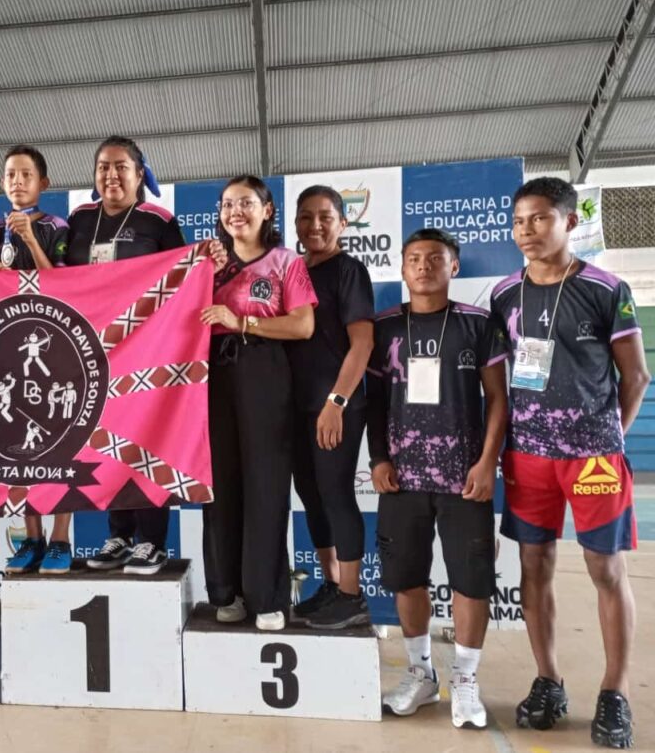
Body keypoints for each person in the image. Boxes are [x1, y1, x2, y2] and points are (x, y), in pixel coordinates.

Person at [491, 177, 648, 749]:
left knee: (606, 571)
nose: (526, 231)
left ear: (569, 221)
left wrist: (607, 437)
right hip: (528, 457)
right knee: (533, 566)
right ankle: (548, 679)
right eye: (518, 221)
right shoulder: (504, 294)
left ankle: (616, 691)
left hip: (593, 460)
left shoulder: (606, 289)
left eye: (539, 218)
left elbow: (636, 376)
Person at [367, 229, 508, 729]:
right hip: (401, 479)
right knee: (406, 577)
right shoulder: (384, 327)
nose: (423, 266)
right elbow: (375, 403)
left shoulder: (479, 324)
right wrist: (378, 458)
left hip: (464, 479)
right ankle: (422, 674)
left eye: (434, 258)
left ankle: (465, 680)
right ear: (402, 267)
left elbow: (499, 399)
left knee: (471, 579)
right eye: (414, 259)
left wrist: (487, 462)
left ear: (454, 266)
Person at [61, 135, 185, 575]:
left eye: (121, 167)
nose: (111, 175)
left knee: (147, 441)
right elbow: (59, 277)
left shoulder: (159, 221)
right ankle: (119, 535)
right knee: (106, 444)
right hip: (93, 353)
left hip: (146, 351)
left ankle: (152, 541)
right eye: (103, 167)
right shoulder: (79, 219)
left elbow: (183, 280)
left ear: (139, 174)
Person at [200, 175, 316, 631]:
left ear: (267, 210)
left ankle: (266, 596)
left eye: (246, 203)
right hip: (212, 375)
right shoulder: (206, 262)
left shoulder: (286, 262)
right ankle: (225, 592)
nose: (236, 212)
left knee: (266, 484)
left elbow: (303, 325)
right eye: (228, 204)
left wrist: (242, 321)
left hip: (264, 370)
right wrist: (200, 271)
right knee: (220, 483)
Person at [0, 146, 76, 576]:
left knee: (62, 445)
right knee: (19, 446)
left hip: (54, 347)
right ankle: (32, 538)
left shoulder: (57, 226)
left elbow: (62, 283)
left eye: (26, 175)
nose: (17, 182)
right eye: (10, 175)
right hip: (8, 349)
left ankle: (61, 539)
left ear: (43, 184)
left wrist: (31, 240)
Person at [286, 185, 375, 628]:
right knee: (312, 496)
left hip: (335, 407)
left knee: (337, 494)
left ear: (343, 222)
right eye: (306, 217)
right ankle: (332, 584)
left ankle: (352, 596)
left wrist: (336, 402)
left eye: (325, 217)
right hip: (297, 407)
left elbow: (363, 344)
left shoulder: (349, 271)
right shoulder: (291, 270)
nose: (315, 225)